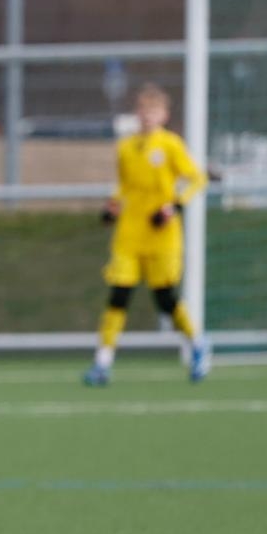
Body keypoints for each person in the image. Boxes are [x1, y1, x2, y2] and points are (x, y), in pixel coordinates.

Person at [84, 84, 210, 387]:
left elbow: (196, 178)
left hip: (162, 236)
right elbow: (124, 186)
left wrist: (174, 206)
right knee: (118, 296)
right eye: (142, 110)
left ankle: (196, 343)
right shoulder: (126, 147)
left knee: (165, 300)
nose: (147, 116)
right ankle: (102, 362)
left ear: (164, 115)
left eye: (153, 111)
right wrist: (113, 206)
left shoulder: (170, 145)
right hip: (129, 235)